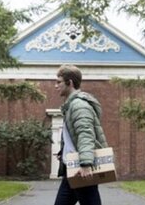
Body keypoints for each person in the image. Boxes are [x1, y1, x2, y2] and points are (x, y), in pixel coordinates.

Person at [54, 64, 107, 205]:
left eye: (58, 82)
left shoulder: (79, 105)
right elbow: (73, 135)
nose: (56, 85)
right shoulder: (71, 106)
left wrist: (86, 164)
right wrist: (63, 151)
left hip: (80, 169)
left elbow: (85, 133)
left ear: (69, 82)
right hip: (71, 167)